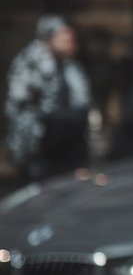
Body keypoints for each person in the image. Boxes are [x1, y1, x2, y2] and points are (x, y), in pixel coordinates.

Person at [4, 15, 91, 183]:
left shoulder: (71, 66)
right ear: (48, 37)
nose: (68, 41)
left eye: (70, 37)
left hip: (69, 151)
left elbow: (81, 102)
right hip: (41, 150)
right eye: (63, 36)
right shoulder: (30, 62)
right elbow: (20, 107)